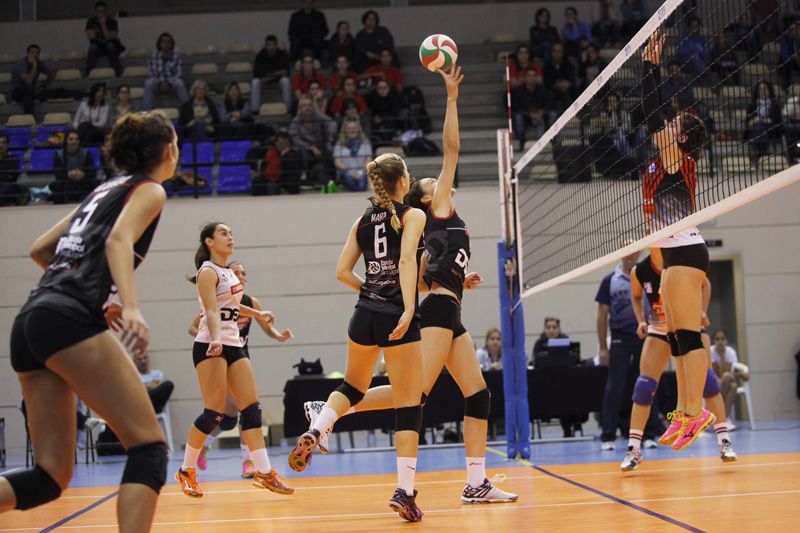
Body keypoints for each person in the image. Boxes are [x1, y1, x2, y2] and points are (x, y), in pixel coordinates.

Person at [302, 65, 517, 507]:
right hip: (437, 312)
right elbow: (452, 149)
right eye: (431, 183)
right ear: (422, 196)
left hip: (449, 307)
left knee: (477, 394)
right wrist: (452, 97)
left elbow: (419, 267)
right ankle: (330, 412)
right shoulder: (433, 209)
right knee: (412, 394)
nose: (440, 182)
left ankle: (476, 482)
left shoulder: (439, 220)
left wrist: (457, 280)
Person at [0, 111, 176, 528]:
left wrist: (99, 300)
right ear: (168, 150)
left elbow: (42, 249)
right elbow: (118, 240)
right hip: (66, 319)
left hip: (32, 320)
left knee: (48, 477)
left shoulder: (104, 189)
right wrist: (128, 305)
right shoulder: (149, 189)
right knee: (149, 448)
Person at [288, 149, 427, 522]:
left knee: (353, 386)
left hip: (364, 314)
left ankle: (319, 425)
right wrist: (409, 306)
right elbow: (408, 260)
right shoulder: (413, 215)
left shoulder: (362, 221)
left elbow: (341, 272)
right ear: (402, 182)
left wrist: (372, 291)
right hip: (396, 315)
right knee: (410, 403)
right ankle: (404, 491)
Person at [175, 223, 293, 498]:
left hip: (234, 344)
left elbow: (232, 303)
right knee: (214, 414)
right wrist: (216, 338)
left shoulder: (228, 272)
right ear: (209, 242)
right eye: (224, 233)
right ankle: (186, 470)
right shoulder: (207, 271)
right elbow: (211, 310)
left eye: (231, 233)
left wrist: (257, 314)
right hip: (210, 344)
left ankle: (264, 473)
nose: (231, 237)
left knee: (252, 409)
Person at [641, 31, 715, 451]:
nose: (668, 126)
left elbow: (652, 115)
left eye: (676, 125)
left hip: (686, 250)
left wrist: (651, 66)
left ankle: (695, 411)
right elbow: (651, 117)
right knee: (677, 339)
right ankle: (688, 412)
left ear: (682, 138)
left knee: (689, 335)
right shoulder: (662, 160)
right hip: (672, 254)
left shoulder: (677, 157)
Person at [620, 251, 736, 472]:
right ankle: (633, 449)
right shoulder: (640, 271)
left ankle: (724, 442)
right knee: (644, 387)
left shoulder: (682, 259)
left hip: (688, 323)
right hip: (658, 327)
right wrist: (640, 320)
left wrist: (702, 310)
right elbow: (635, 296)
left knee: (709, 381)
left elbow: (705, 284)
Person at [189, 260, 293, 478]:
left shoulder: (250, 302)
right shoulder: (219, 298)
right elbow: (193, 326)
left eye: (243, 273)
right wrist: (208, 336)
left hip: (239, 357)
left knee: (228, 418)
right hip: (219, 358)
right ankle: (248, 462)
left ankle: (204, 447)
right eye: (236, 272)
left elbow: (268, 328)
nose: (241, 275)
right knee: (239, 411)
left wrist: (279, 336)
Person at [596, 248, 661, 449]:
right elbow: (601, 316)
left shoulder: (647, 276)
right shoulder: (610, 280)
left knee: (648, 383)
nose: (631, 255)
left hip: (646, 335)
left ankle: (649, 434)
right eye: (627, 251)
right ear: (622, 254)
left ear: (640, 253)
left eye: (635, 251)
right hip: (620, 337)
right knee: (614, 386)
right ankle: (608, 436)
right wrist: (603, 348)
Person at [289, 96, 337, 184]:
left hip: (321, 144)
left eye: (309, 105)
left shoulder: (318, 115)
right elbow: (295, 138)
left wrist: (328, 139)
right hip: (305, 147)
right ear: (299, 108)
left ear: (313, 106)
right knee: (297, 150)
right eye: (304, 106)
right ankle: (303, 175)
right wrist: (310, 147)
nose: (307, 108)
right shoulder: (296, 120)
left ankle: (334, 176)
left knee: (330, 148)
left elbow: (332, 123)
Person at [50, 129, 99, 205]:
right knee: (55, 185)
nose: (74, 142)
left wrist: (83, 174)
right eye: (71, 139)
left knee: (96, 183)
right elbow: (58, 174)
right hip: (68, 182)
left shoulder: (86, 153)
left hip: (83, 182)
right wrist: (68, 174)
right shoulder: (58, 154)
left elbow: (92, 171)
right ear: (66, 141)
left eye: (76, 139)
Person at [511, 69, 554, 150]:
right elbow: (517, 107)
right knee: (518, 117)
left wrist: (542, 111)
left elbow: (550, 103)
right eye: (529, 76)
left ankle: (546, 144)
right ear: (525, 78)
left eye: (534, 76)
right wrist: (530, 114)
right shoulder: (519, 90)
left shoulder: (543, 89)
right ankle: (522, 145)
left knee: (552, 115)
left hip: (540, 116)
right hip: (526, 116)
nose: (531, 78)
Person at [144, 32, 188, 110]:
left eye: (168, 41)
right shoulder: (154, 57)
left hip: (172, 85)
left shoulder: (176, 57)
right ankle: (147, 113)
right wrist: (160, 83)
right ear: (159, 44)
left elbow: (179, 73)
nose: (166, 43)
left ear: (172, 44)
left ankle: (188, 111)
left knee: (180, 83)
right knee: (148, 83)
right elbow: (152, 73)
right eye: (164, 41)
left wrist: (169, 83)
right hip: (158, 85)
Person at [253, 131, 304, 196]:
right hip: (270, 176)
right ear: (276, 143)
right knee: (257, 182)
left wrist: (284, 157)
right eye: (280, 143)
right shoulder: (270, 151)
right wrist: (256, 168)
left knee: (293, 183)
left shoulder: (294, 154)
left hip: (286, 177)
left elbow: (293, 170)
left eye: (286, 144)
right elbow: (251, 154)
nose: (283, 146)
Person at [10, 44, 56, 115]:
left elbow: (51, 74)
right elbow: (28, 81)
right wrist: (34, 65)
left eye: (37, 53)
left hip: (31, 91)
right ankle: (30, 118)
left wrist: (44, 86)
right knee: (28, 90)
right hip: (17, 92)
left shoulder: (39, 63)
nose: (35, 55)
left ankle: (79, 95)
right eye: (32, 52)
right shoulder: (21, 64)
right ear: (27, 54)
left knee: (54, 91)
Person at [251, 35, 293, 111]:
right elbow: (256, 73)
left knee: (286, 81)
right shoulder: (260, 55)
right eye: (269, 45)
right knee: (255, 82)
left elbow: (286, 72)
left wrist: (270, 75)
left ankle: (287, 109)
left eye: (273, 45)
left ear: (276, 45)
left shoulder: (282, 55)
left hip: (278, 81)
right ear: (265, 46)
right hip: (264, 82)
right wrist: (277, 73)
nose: (271, 47)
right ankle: (255, 110)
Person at [744, 80, 782, 163]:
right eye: (760, 89)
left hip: (770, 131)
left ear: (769, 90)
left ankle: (759, 154)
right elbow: (748, 122)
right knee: (759, 126)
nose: (763, 91)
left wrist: (762, 120)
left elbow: (777, 122)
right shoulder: (752, 106)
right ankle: (762, 154)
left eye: (765, 89)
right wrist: (756, 121)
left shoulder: (774, 105)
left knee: (760, 126)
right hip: (754, 129)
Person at [84, 1, 123, 77]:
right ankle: (88, 73)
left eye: (103, 11)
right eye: (99, 11)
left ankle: (117, 72)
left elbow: (110, 37)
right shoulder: (91, 21)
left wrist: (103, 24)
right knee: (93, 47)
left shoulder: (112, 22)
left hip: (109, 46)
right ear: (96, 12)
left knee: (110, 46)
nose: (101, 14)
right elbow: (91, 37)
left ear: (106, 11)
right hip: (97, 46)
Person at [333, 118, 372, 191]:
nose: (352, 130)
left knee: (361, 184)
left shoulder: (365, 143)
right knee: (350, 181)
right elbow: (337, 162)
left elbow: (368, 159)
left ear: (358, 130)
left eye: (354, 128)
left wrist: (360, 172)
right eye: (349, 128)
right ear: (345, 130)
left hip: (362, 171)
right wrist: (350, 172)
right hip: (346, 172)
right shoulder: (339, 144)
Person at [711, 329, 740, 422]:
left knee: (732, 384)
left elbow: (726, 372)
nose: (720, 342)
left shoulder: (730, 352)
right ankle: (723, 419)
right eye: (717, 339)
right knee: (728, 380)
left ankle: (722, 418)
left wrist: (722, 356)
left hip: (724, 382)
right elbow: (715, 373)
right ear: (714, 341)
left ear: (726, 341)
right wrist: (721, 356)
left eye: (722, 339)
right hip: (711, 381)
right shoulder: (710, 351)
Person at [133, 351, 174, 415]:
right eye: (139, 359)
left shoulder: (157, 374)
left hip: (155, 406)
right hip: (140, 405)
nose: (143, 361)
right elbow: (135, 391)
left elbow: (160, 387)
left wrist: (144, 387)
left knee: (169, 384)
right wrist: (153, 384)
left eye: (145, 358)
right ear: (134, 361)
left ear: (148, 359)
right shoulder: (133, 376)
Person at [366, 79, 406, 146]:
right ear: (376, 89)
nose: (382, 90)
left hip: (393, 123)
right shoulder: (372, 97)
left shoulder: (395, 98)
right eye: (380, 88)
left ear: (389, 88)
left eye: (385, 88)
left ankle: (394, 140)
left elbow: (397, 114)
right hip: (377, 125)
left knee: (388, 118)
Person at [542, 43, 576, 112]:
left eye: (560, 51)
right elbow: (547, 82)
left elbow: (572, 79)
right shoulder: (546, 67)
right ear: (551, 53)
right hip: (553, 92)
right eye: (555, 51)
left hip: (568, 90)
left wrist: (567, 84)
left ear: (563, 53)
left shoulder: (569, 65)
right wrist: (556, 85)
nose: (557, 54)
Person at [0, 133, 21, 206]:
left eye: (3, 142)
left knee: (8, 186)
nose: (1, 145)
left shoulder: (14, 159)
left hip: (7, 187)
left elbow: (11, 176)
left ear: (7, 145)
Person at [779, 20, 800, 89]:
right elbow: (784, 54)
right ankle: (786, 87)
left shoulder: (798, 39)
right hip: (786, 61)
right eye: (794, 29)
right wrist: (794, 57)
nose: (796, 31)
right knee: (787, 63)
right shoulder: (785, 38)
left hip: (797, 61)